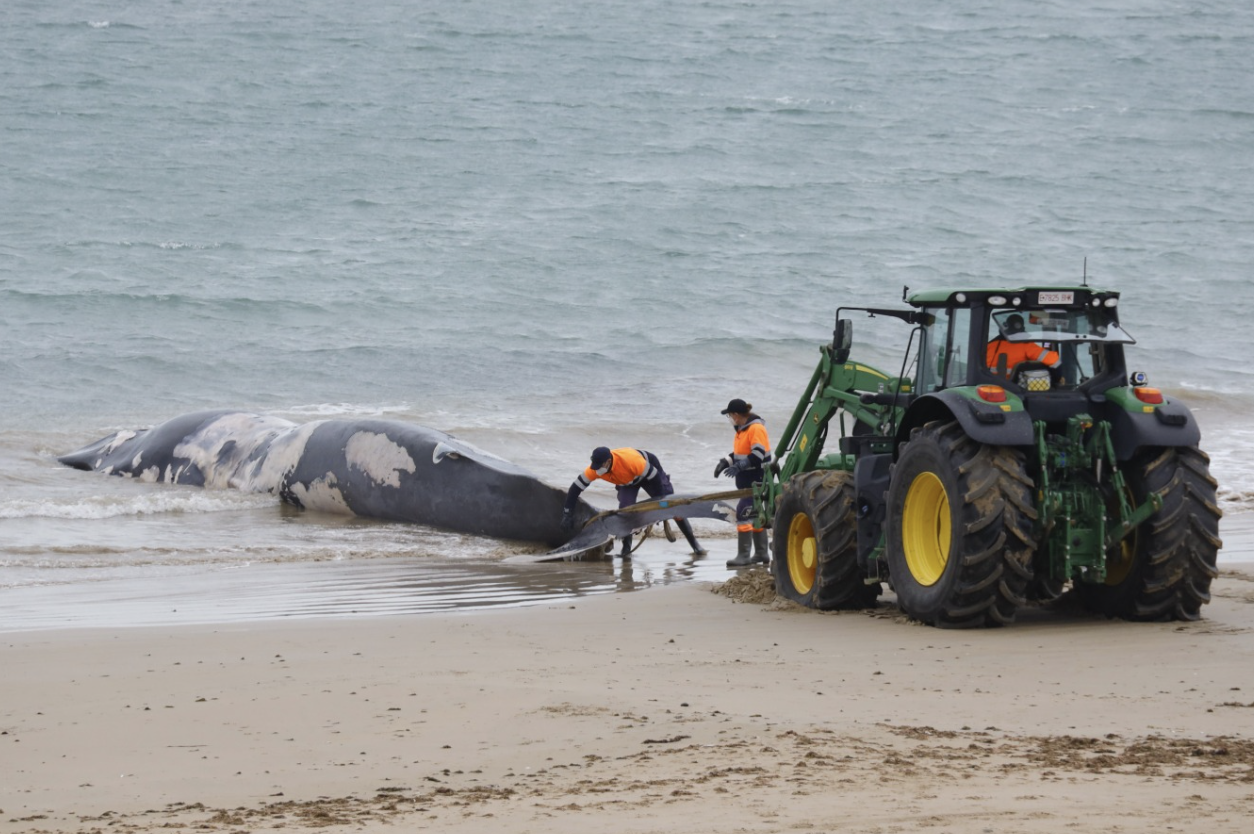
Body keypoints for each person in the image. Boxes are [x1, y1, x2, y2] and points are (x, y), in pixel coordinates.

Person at [560, 446, 707, 558]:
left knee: (673, 507)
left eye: (599, 467)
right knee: (626, 510)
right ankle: (626, 549)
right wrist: (567, 513)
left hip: (650, 473)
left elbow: (655, 478)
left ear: (608, 461)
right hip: (627, 481)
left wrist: (660, 506)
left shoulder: (631, 462)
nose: (596, 470)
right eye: (595, 466)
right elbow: (575, 489)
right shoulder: (595, 469)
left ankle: (695, 545)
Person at [714, 398, 772, 568]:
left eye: (730, 415)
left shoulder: (756, 428)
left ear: (737, 415)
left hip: (757, 478)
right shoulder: (742, 430)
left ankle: (744, 555)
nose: (730, 419)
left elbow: (758, 455)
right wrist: (725, 462)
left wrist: (740, 466)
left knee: (743, 513)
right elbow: (739, 453)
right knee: (754, 515)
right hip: (747, 481)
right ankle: (762, 553)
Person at [986, 313, 1060, 378]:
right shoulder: (1026, 346)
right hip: (1015, 388)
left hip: (990, 385)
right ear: (1023, 329)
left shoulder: (989, 345)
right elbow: (1053, 360)